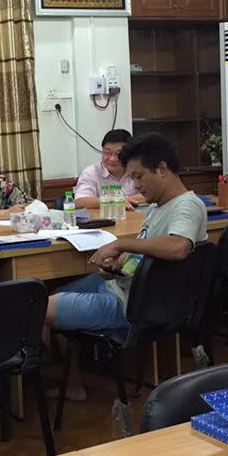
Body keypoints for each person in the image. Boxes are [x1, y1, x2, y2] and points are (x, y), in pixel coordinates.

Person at [44, 133, 207, 401]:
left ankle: (46, 379)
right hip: (122, 285)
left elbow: (178, 247)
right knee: (48, 295)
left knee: (37, 307)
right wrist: (119, 266)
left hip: (130, 304)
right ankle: (72, 384)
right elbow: (149, 258)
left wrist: (122, 244)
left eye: (139, 176)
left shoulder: (187, 205)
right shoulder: (157, 207)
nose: (136, 185)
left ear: (162, 169)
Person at [73, 129, 146, 210]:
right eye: (107, 153)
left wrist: (125, 200)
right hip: (103, 217)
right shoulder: (91, 172)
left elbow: (151, 194)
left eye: (118, 154)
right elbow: (79, 201)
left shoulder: (137, 171)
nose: (112, 159)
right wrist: (114, 201)